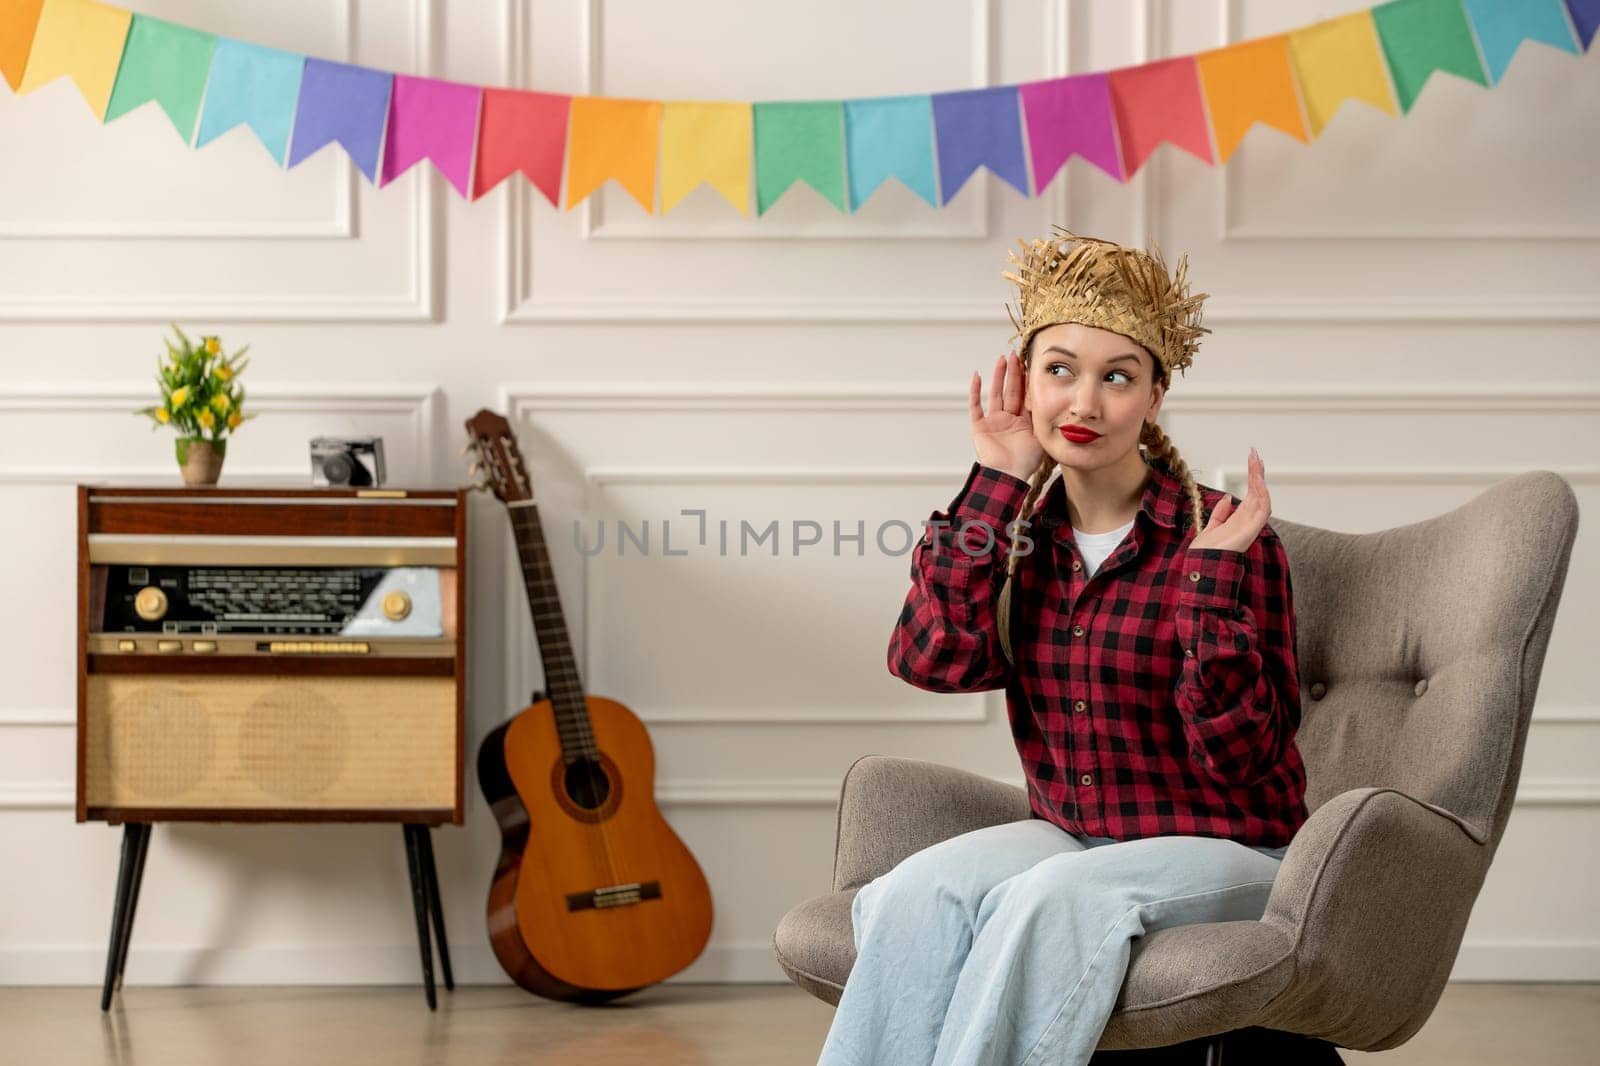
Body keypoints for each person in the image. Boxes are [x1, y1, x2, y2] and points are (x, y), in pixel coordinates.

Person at [816, 227, 1310, 1066]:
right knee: (916, 893)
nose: (1083, 403)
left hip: (1233, 848)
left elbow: (1248, 760)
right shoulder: (1017, 533)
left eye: (1117, 377)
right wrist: (997, 481)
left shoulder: (1224, 538)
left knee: (1050, 901)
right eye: (1060, 370)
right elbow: (932, 661)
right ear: (1027, 381)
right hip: (1076, 832)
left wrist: (1204, 591)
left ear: (1154, 397)